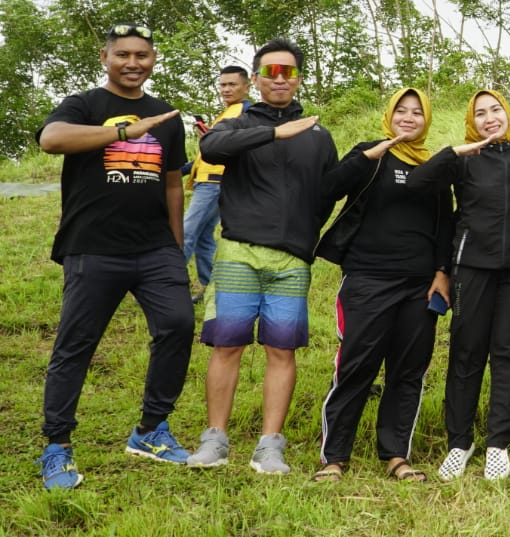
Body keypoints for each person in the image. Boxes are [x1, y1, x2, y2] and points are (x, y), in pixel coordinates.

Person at [34, 24, 193, 488]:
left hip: (156, 247)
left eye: (141, 55)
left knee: (179, 325)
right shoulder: (84, 105)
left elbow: (172, 183)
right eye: (122, 54)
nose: (132, 63)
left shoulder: (166, 114)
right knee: (76, 346)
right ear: (105, 57)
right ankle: (57, 446)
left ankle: (150, 429)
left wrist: (176, 245)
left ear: (153, 58)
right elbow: (52, 139)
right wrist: (125, 129)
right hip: (93, 245)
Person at [188, 39, 338, 474]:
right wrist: (274, 132)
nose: (280, 79)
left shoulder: (318, 134)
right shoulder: (236, 123)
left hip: (292, 262)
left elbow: (325, 193)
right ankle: (214, 439)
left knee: (281, 351)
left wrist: (306, 235)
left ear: (299, 78)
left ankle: (270, 445)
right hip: (237, 252)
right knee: (227, 346)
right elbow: (209, 150)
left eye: (288, 72)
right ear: (256, 78)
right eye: (270, 71)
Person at [408, 89, 510, 481]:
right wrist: (456, 151)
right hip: (470, 270)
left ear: (507, 114)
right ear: (472, 122)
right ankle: (460, 442)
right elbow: (419, 182)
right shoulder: (464, 162)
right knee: (466, 355)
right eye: (481, 114)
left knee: (509, 358)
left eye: (496, 110)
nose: (490, 118)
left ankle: (497, 445)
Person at [312, 88, 453, 483]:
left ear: (426, 120)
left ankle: (396, 455)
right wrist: (366, 156)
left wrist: (443, 271)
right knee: (357, 367)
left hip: (419, 286)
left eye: (417, 113)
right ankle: (334, 457)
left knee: (408, 371)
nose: (408, 118)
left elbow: (446, 223)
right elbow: (327, 189)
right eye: (401, 112)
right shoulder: (368, 154)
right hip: (367, 278)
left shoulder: (434, 163)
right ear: (389, 116)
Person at [181, 65, 251, 300]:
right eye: (222, 84)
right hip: (206, 180)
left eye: (232, 84)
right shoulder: (227, 113)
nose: (226, 89)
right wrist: (177, 169)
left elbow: (237, 148)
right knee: (202, 237)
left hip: (215, 183)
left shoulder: (247, 113)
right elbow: (210, 153)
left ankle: (166, 287)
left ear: (247, 86)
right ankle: (212, 289)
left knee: (186, 232)